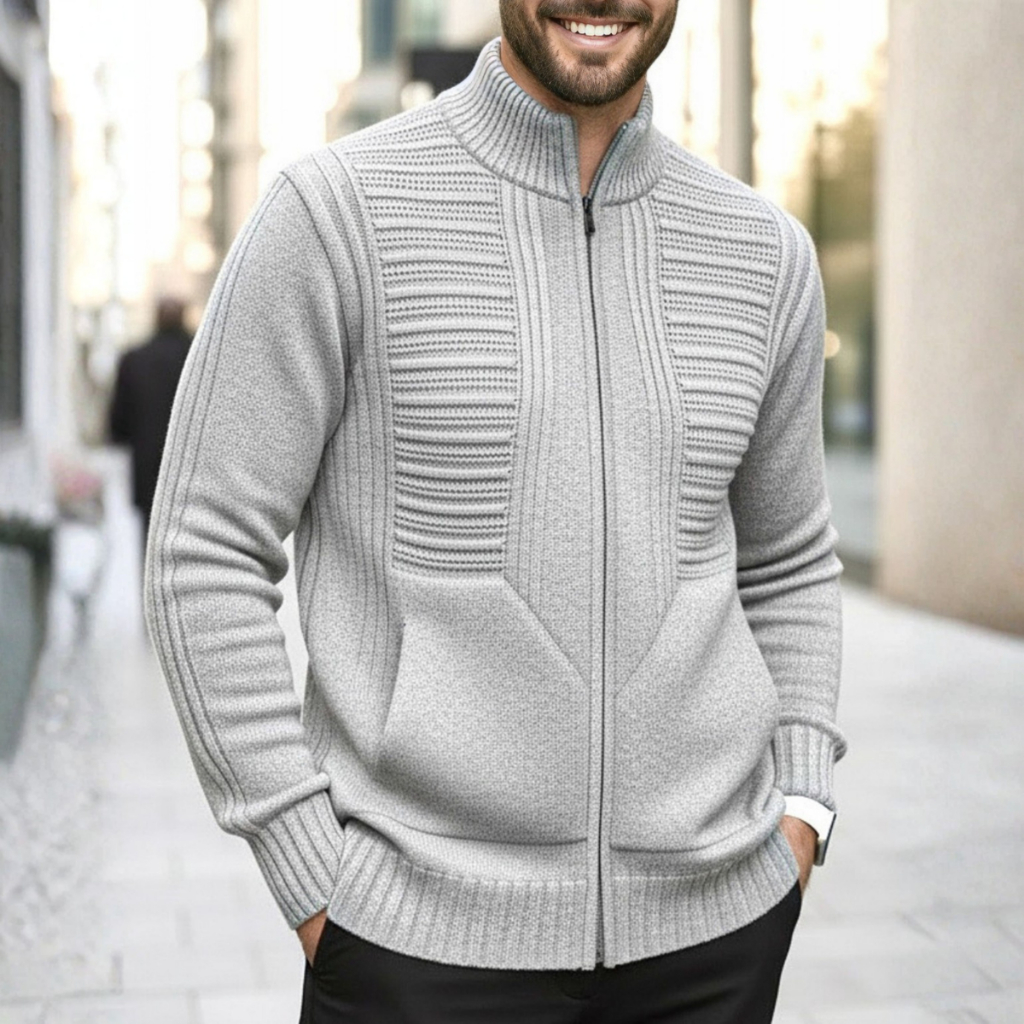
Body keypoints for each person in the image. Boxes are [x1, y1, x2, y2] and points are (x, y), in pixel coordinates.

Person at [143, 3, 848, 1021]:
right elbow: (200, 549)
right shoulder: (334, 215)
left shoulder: (764, 254)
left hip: (715, 942)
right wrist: (313, 877)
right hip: (412, 951)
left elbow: (789, 560)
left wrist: (800, 813)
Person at [108, 295, 192, 556]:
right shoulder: (202, 360)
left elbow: (117, 426)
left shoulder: (134, 359)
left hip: (147, 472)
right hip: (193, 472)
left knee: (151, 548)